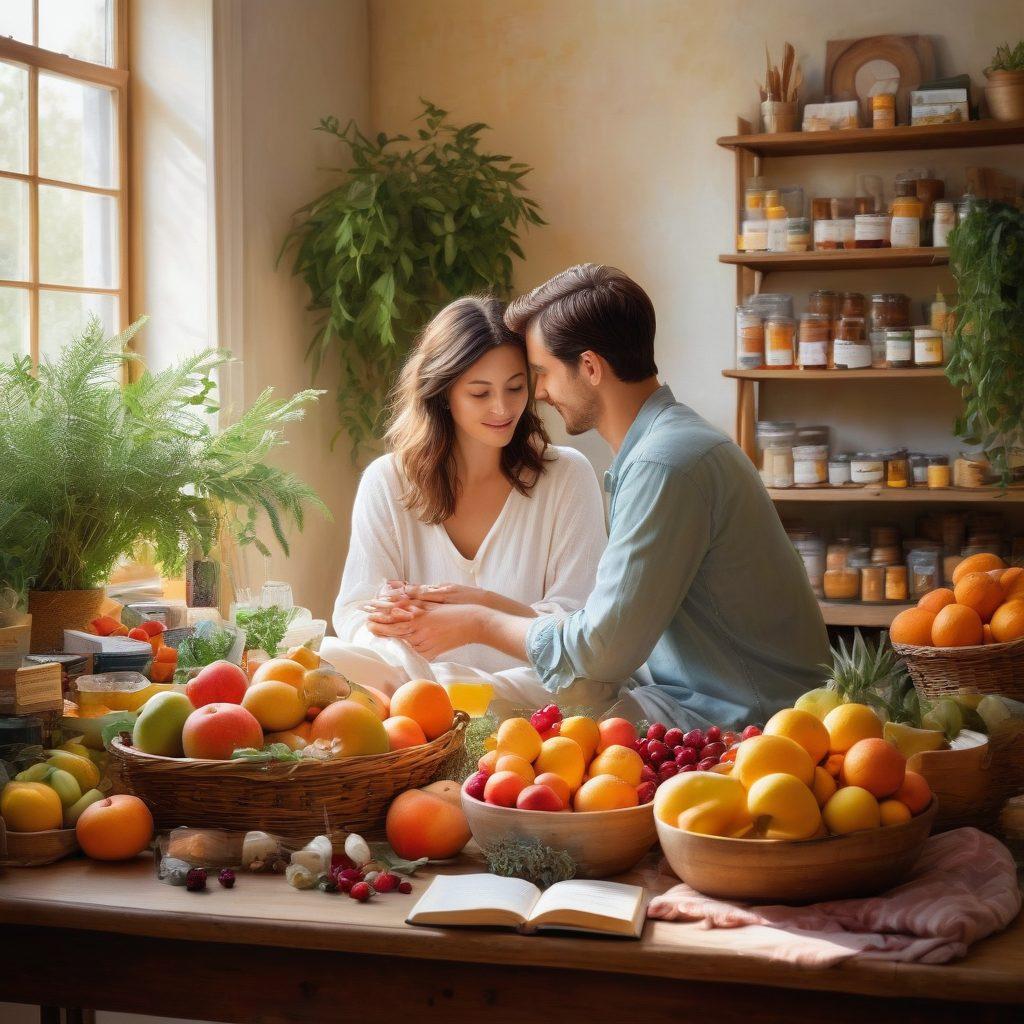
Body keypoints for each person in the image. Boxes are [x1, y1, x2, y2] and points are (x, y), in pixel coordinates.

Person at [367, 265, 830, 728]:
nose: (539, 393)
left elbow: (601, 651)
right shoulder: (667, 446)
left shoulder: (663, 464)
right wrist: (484, 603)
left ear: (589, 367)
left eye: (541, 373)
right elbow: (607, 628)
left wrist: (478, 623)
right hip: (698, 696)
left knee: (502, 711)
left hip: (743, 719)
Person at [321, 295, 614, 709]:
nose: (502, 408)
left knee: (584, 687)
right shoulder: (387, 480)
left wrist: (480, 614)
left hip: (532, 687)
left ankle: (442, 701)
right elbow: (354, 611)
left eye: (515, 388)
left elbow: (579, 622)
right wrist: (397, 624)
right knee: (330, 655)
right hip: (419, 681)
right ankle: (441, 697)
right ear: (443, 393)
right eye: (480, 393)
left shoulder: (567, 475)